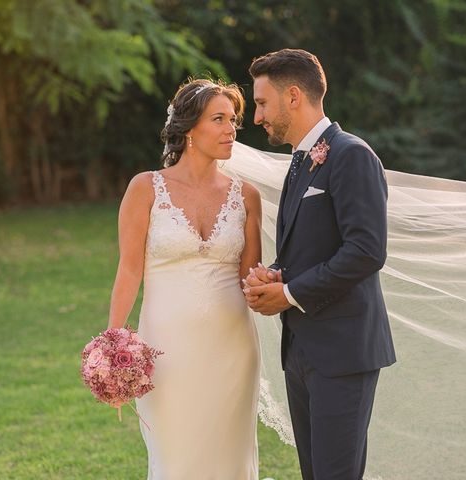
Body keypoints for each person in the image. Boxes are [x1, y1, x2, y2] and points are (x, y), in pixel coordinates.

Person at [243, 48, 396, 480]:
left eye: (261, 102)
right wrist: (276, 273)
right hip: (303, 350)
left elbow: (366, 250)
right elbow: (312, 246)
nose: (257, 117)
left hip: (343, 351)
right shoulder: (299, 161)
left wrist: (288, 294)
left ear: (293, 96)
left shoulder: (351, 155)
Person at [106, 78, 262, 479]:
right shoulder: (146, 188)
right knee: (176, 460)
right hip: (165, 350)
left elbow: (252, 278)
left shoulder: (246, 196)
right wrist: (113, 345)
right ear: (190, 128)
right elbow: (129, 269)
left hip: (233, 349)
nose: (231, 129)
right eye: (219, 119)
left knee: (229, 461)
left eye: (234, 120)